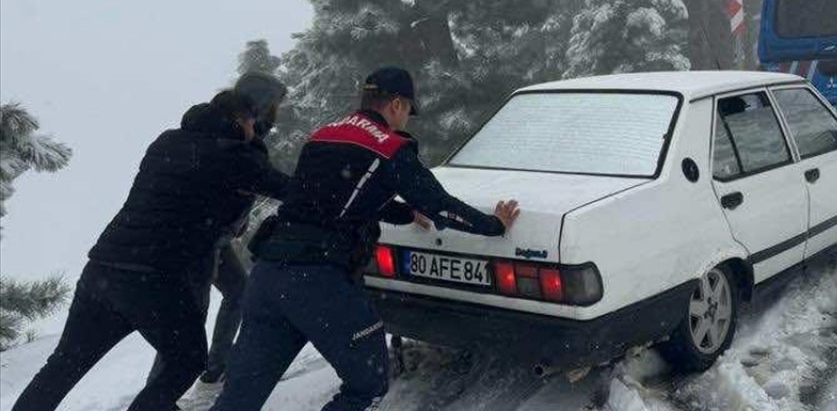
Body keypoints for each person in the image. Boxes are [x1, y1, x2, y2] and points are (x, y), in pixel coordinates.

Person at [211, 66, 519, 411]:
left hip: (268, 276)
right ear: (397, 104)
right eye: (408, 112)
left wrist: (403, 213)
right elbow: (442, 207)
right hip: (317, 281)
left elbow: (330, 199)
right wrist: (493, 224)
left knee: (239, 399)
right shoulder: (389, 146)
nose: (406, 120)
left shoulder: (323, 135)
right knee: (368, 384)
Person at [13, 86, 290, 411]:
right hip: (153, 280)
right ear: (240, 120)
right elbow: (287, 188)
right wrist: (255, 145)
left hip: (103, 269)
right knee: (187, 360)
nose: (253, 130)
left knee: (64, 365)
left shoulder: (167, 141)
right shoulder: (233, 155)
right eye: (251, 123)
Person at [145, 73, 289, 386]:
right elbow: (260, 178)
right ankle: (158, 393)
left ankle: (216, 364)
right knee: (189, 319)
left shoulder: (245, 134)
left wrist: (239, 218)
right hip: (196, 241)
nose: (278, 111)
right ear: (261, 104)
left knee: (239, 290)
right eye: (275, 104)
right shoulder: (231, 138)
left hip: (217, 238)